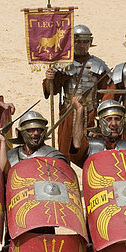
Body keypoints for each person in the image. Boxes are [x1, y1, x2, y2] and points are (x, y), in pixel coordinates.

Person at [42, 24, 110, 158]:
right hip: (68, 112)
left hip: (91, 113)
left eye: (85, 42)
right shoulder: (63, 65)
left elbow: (107, 93)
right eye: (78, 41)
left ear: (90, 43)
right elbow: (52, 91)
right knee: (64, 150)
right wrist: (50, 79)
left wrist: (101, 117)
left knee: (94, 151)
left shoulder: (99, 65)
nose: (81, 45)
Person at [70, 98, 126, 168]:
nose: (113, 123)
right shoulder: (90, 146)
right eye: (109, 119)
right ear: (100, 124)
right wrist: (79, 110)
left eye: (117, 119)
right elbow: (77, 144)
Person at [0, 111, 66, 170]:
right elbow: (0, 173)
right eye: (31, 130)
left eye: (39, 130)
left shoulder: (53, 156)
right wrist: (3, 141)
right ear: (21, 133)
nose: (36, 133)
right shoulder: (12, 155)